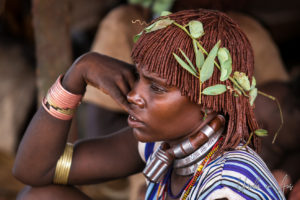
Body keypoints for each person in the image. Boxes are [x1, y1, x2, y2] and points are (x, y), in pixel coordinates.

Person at [13, 9, 285, 199]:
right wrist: (76, 76)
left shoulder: (229, 186)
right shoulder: (165, 146)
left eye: (156, 87)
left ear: (208, 104)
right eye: (138, 77)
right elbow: (36, 171)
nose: (133, 95)